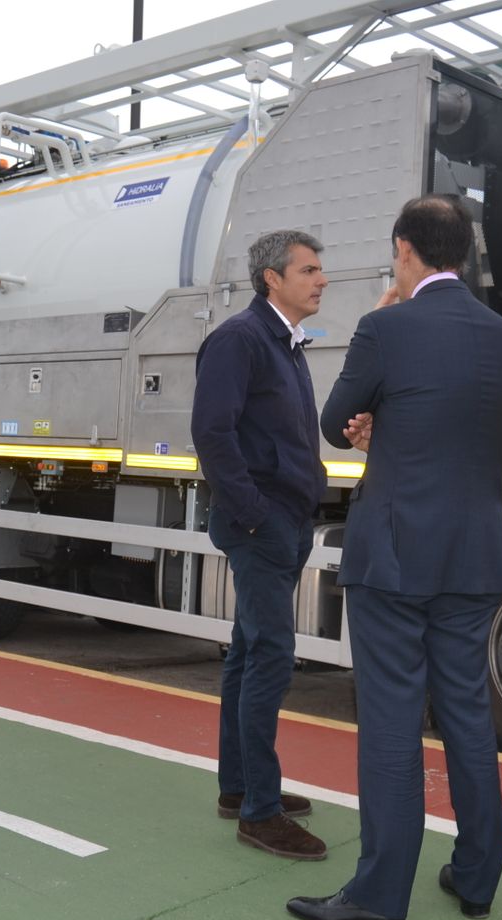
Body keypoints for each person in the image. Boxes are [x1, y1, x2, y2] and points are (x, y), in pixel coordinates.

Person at [289, 195, 502, 920]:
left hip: (394, 553)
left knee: (391, 720)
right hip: (475, 551)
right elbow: (465, 428)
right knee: (467, 714)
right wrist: (387, 421)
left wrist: (371, 412)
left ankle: (381, 894)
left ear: (404, 251)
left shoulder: (386, 327)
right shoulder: (501, 335)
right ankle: (477, 878)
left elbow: (334, 424)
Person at [189, 229, 330, 861]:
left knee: (249, 652)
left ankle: (239, 787)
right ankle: (260, 813)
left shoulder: (286, 343)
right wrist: (253, 514)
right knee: (271, 655)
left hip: (286, 517)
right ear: (272, 279)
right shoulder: (240, 339)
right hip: (263, 522)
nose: (321, 280)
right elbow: (212, 433)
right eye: (308, 270)